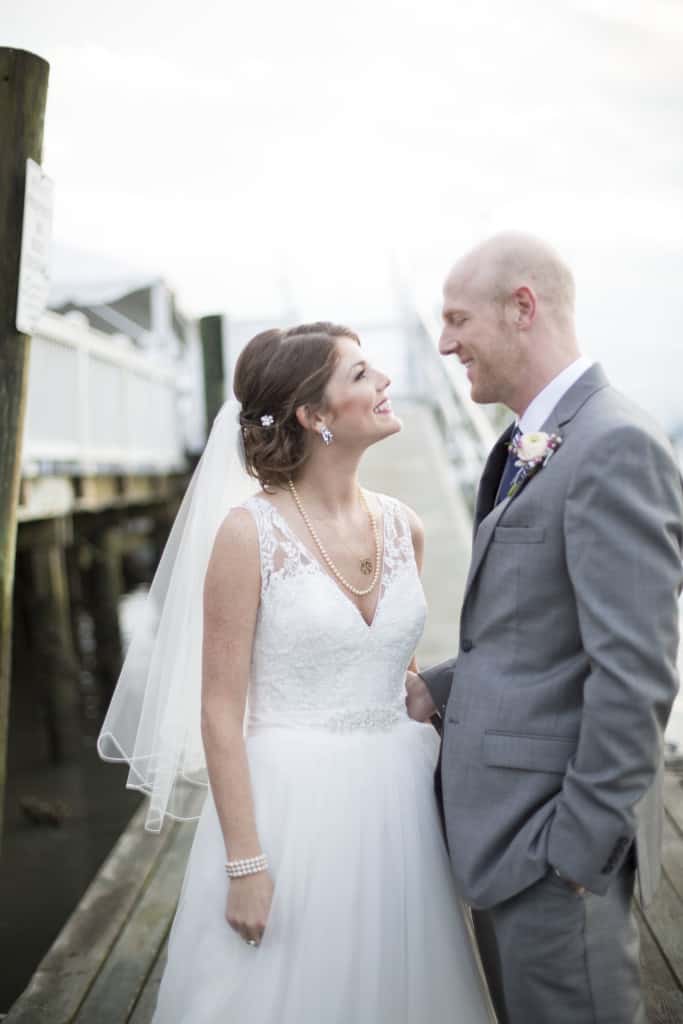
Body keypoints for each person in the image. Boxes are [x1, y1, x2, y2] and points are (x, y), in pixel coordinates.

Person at [98, 322, 494, 1022]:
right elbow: (220, 711)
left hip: (400, 800)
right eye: (361, 375)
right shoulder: (248, 534)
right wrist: (245, 865)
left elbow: (395, 672)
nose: (384, 384)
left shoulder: (406, 527)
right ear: (314, 416)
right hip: (293, 809)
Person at [406, 232, 683, 1024]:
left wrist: (576, 851)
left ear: (521, 307)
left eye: (457, 318)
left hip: (551, 855)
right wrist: (434, 688)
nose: (443, 341)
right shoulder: (534, 441)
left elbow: (635, 674)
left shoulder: (613, 443)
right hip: (509, 844)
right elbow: (533, 635)